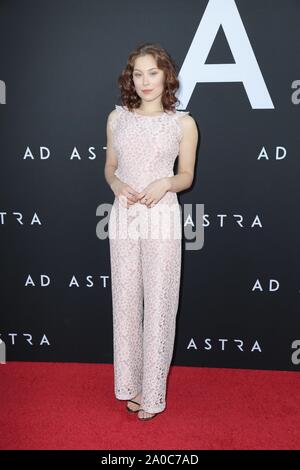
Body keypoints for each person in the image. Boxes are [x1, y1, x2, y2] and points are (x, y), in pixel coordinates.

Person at [104, 42, 198, 421]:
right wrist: (114, 185)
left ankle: (154, 393)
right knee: (125, 302)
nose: (145, 81)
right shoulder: (116, 119)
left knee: (160, 303)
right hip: (124, 214)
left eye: (153, 73)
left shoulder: (183, 123)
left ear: (166, 76)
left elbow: (187, 177)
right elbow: (110, 166)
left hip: (162, 215)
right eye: (138, 74)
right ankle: (131, 384)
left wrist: (165, 183)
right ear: (131, 78)